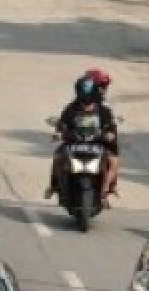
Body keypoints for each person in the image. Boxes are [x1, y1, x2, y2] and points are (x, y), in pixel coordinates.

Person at [46, 75, 120, 205]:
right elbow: (62, 123)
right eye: (83, 94)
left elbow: (111, 126)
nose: (87, 100)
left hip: (98, 142)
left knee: (114, 161)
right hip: (74, 142)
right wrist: (58, 133)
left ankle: (107, 190)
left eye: (90, 95)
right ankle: (53, 186)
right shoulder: (71, 108)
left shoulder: (103, 110)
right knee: (57, 158)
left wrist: (110, 134)